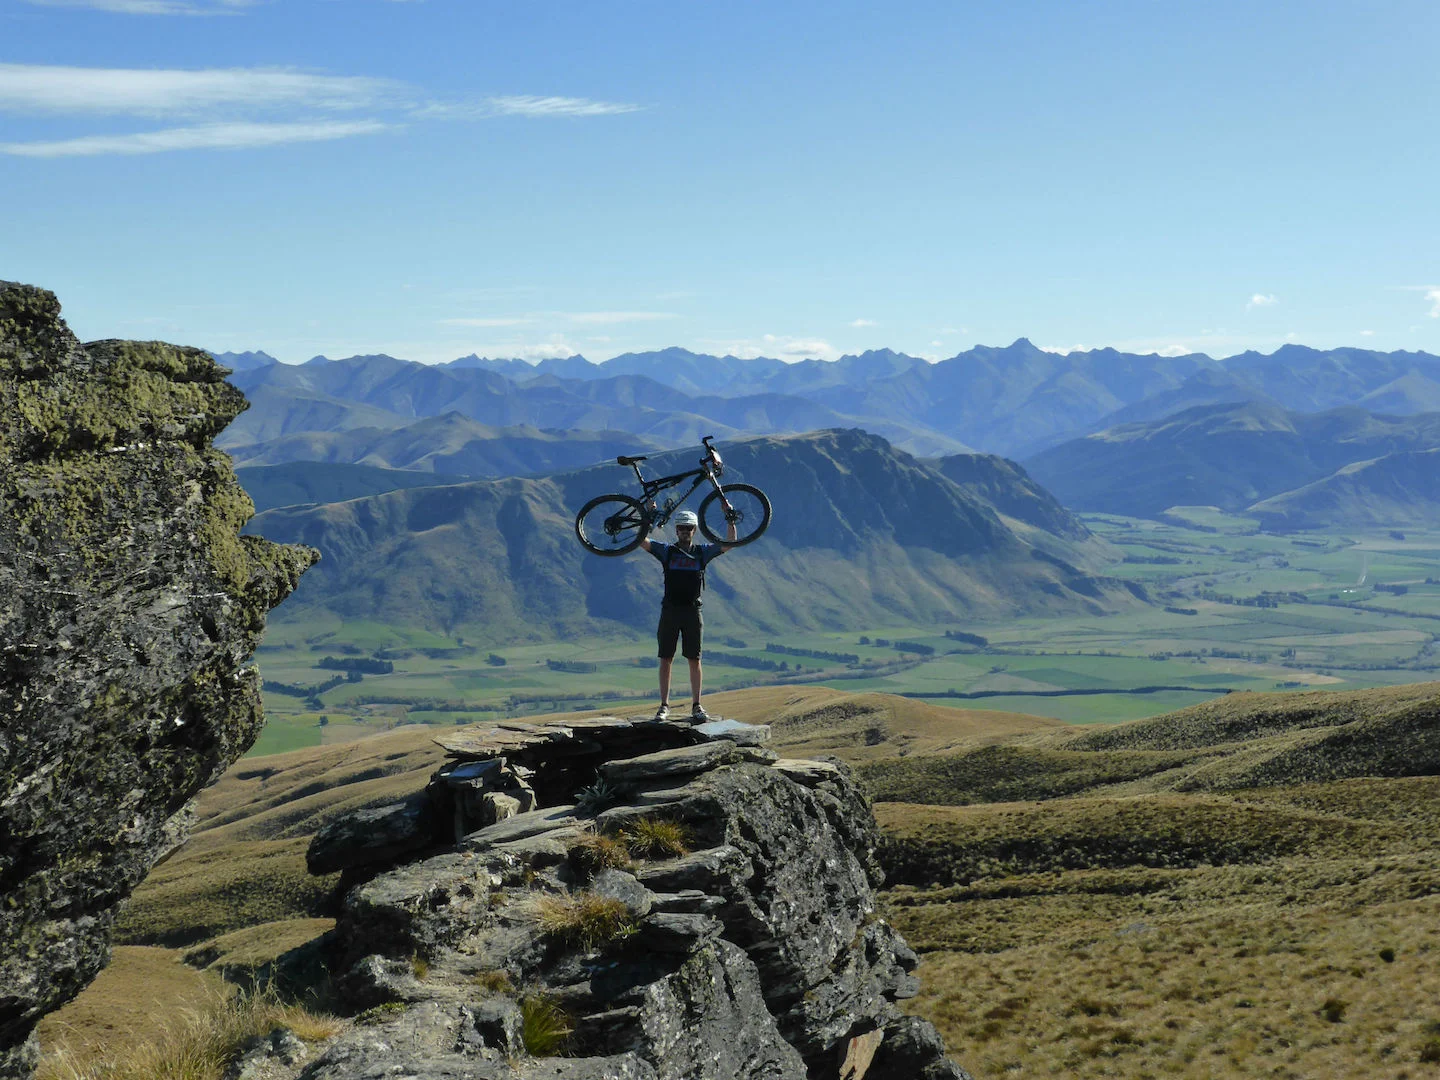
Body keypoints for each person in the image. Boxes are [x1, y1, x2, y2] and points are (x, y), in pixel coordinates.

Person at [638, 508, 737, 722]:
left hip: (692, 611)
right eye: (681, 528)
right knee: (666, 658)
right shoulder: (667, 551)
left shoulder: (702, 552)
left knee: (694, 659)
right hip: (670, 610)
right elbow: (641, 541)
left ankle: (696, 705)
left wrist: (730, 519)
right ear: (676, 530)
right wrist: (646, 516)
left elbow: (729, 544)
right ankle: (664, 706)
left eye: (689, 528)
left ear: (695, 530)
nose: (685, 531)